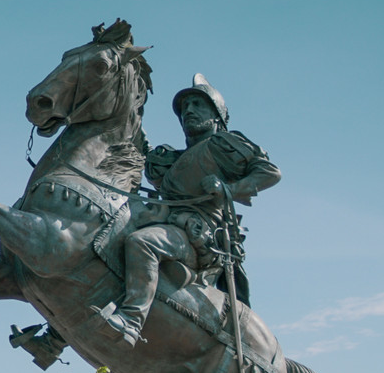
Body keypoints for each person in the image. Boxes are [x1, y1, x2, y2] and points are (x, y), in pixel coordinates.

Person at [97, 74, 280, 346]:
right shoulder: (171, 158)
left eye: (197, 104)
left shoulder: (224, 146)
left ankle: (131, 321)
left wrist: (228, 189)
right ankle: (55, 335)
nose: (189, 111)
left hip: (199, 233)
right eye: (185, 108)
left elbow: (270, 172)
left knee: (142, 243)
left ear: (217, 114)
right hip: (164, 221)